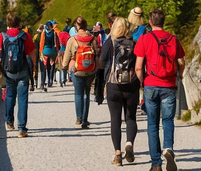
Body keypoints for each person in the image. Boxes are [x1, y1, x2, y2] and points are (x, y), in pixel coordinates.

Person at [134, 9, 186, 171]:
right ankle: (168, 148)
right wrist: (180, 75)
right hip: (169, 85)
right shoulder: (173, 39)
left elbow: (138, 67)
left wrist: (143, 83)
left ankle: (156, 163)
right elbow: (181, 61)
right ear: (163, 21)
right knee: (168, 120)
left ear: (150, 22)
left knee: (152, 124)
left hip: (151, 84)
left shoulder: (145, 39)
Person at [100, 17, 141, 167]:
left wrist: (101, 83)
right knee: (130, 118)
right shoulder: (134, 43)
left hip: (113, 85)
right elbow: (139, 63)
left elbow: (101, 61)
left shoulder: (110, 42)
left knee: (115, 120)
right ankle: (129, 144)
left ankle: (117, 154)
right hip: (131, 84)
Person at [0, 12, 37, 138]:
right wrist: (33, 67)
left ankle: (9, 121)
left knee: (10, 96)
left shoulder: (1, 36)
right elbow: (32, 52)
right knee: (23, 98)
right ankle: (22, 128)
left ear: (7, 23)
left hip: (8, 72)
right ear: (19, 23)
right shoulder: (25, 35)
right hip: (22, 71)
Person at [61, 16, 98, 129]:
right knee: (86, 93)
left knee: (78, 93)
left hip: (76, 70)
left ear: (76, 26)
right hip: (90, 70)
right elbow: (96, 54)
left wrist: (64, 67)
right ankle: (85, 119)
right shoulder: (92, 39)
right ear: (86, 25)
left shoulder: (72, 40)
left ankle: (79, 118)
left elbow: (67, 56)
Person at [39, 21, 59, 91]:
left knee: (45, 66)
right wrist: (57, 50)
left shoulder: (44, 33)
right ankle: (50, 80)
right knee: (52, 65)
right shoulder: (54, 33)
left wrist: (40, 51)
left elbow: (41, 43)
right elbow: (57, 42)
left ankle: (42, 82)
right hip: (52, 50)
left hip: (45, 51)